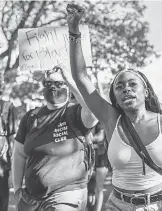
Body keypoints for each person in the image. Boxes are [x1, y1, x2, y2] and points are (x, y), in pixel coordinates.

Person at [66, 3, 162, 211]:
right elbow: (81, 77)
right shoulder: (110, 119)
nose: (126, 89)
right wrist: (74, 31)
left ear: (146, 92)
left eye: (132, 84)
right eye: (119, 86)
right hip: (118, 206)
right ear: (115, 99)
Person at [12, 65, 98, 211]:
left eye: (59, 83)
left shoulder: (75, 112)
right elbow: (19, 154)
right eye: (48, 83)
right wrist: (17, 189)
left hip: (66, 196)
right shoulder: (31, 117)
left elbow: (93, 112)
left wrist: (70, 79)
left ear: (68, 87)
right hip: (30, 199)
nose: (53, 87)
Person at [0, 88, 17, 211]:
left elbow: (12, 135)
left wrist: (14, 155)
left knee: (2, 186)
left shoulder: (8, 106)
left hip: (2, 150)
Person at [87, 122, 109, 211]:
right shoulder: (84, 118)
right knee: (86, 187)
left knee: (99, 187)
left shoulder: (100, 120)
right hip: (87, 157)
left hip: (101, 157)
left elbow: (100, 136)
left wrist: (89, 138)